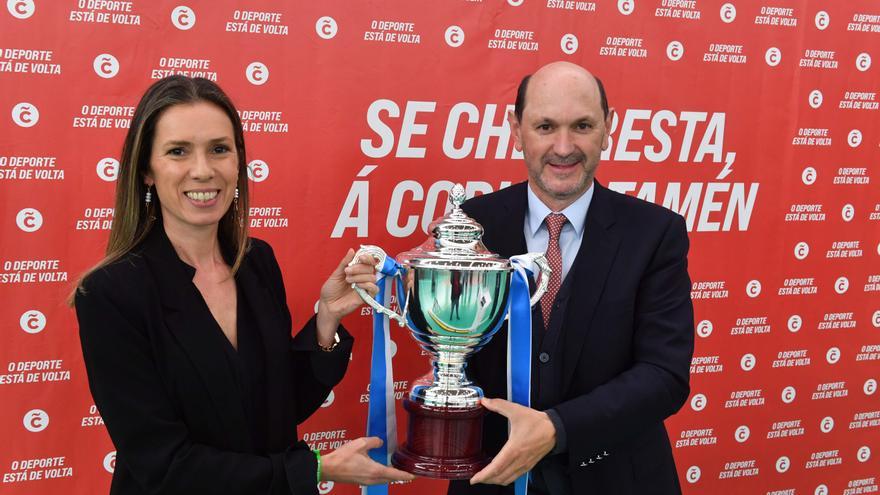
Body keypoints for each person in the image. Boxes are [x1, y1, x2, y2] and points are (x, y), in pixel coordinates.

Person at [72, 76, 414, 494]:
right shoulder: (110, 292)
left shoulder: (256, 262)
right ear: (146, 169)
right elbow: (163, 464)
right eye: (178, 151)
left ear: (238, 162)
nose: (203, 170)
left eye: (219, 149)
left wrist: (326, 322)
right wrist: (313, 469)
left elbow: (280, 407)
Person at [448, 62, 695, 494]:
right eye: (545, 126)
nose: (564, 147)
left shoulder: (656, 233)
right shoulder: (473, 226)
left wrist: (557, 429)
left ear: (608, 126)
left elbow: (664, 374)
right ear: (516, 128)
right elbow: (454, 352)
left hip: (619, 480)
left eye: (582, 125)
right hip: (494, 480)